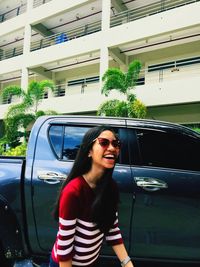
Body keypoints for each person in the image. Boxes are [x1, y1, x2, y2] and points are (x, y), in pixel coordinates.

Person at [49, 125, 134, 267]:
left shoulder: (110, 187)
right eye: (104, 142)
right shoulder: (73, 191)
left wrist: (127, 263)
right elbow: (64, 249)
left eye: (116, 143)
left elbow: (112, 229)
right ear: (89, 151)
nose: (112, 148)